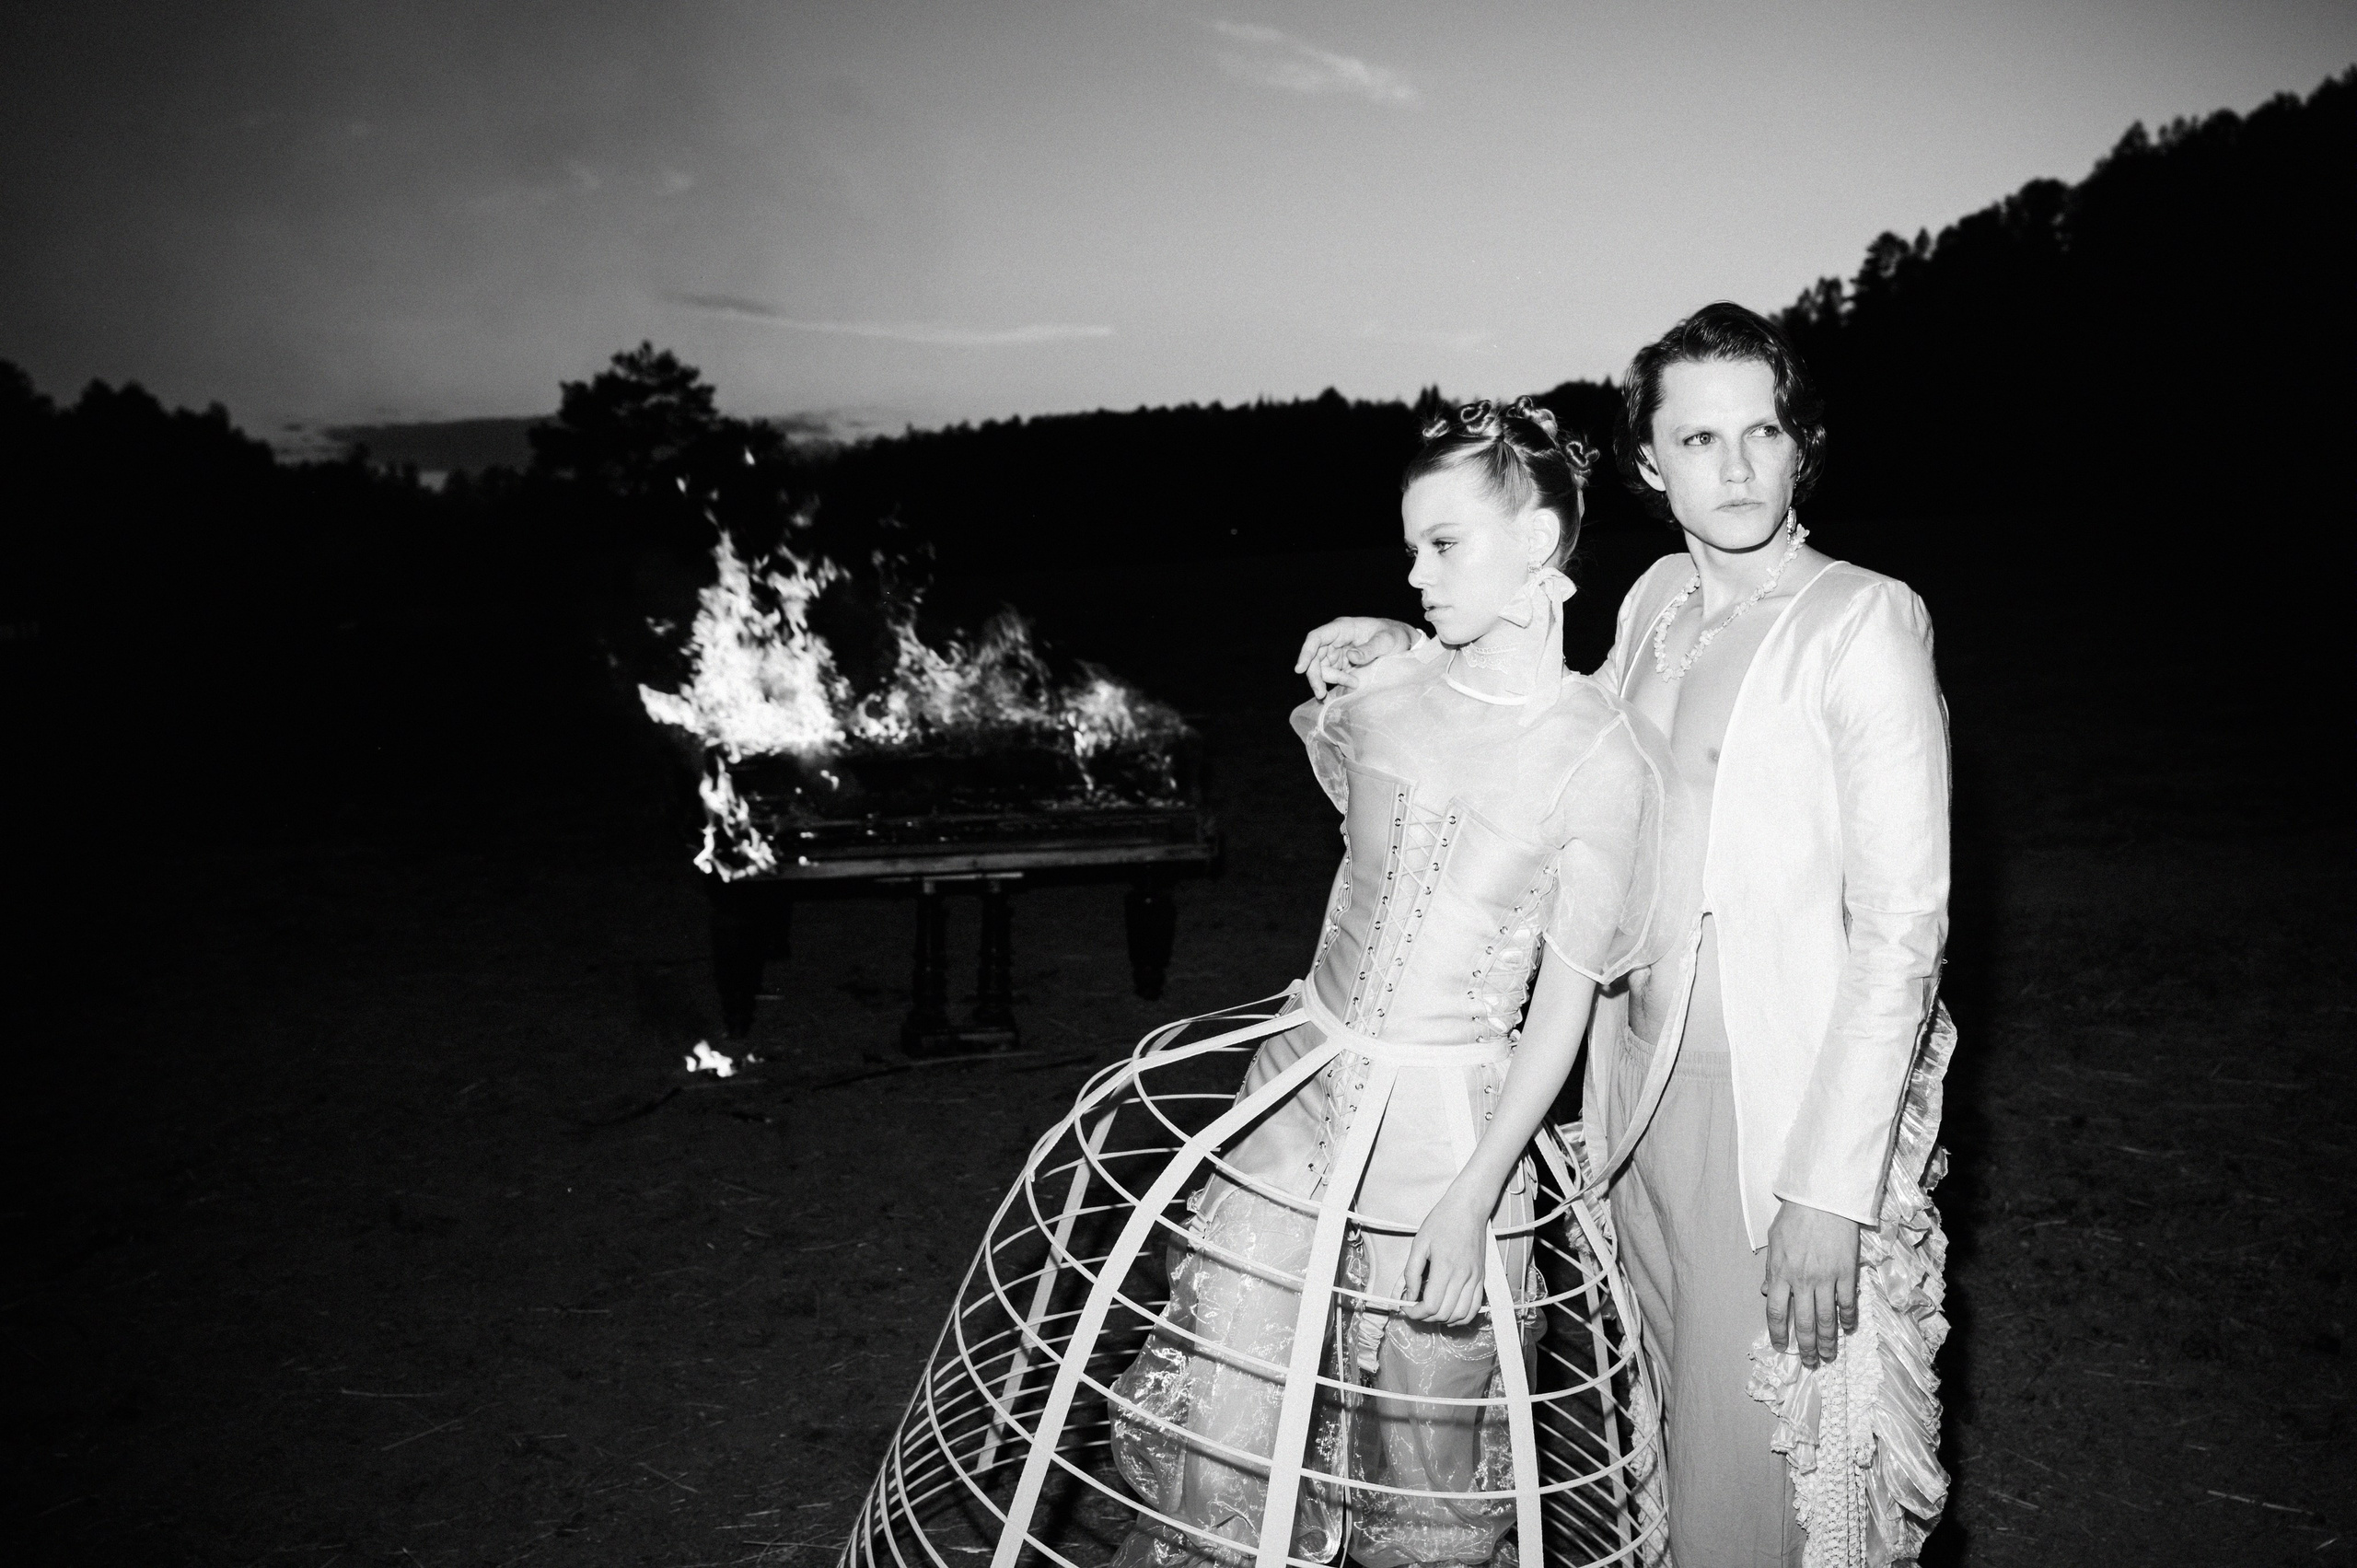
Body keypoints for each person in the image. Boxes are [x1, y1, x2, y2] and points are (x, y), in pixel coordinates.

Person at [843, 399, 1672, 1568]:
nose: (1415, 570)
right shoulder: (1385, 692)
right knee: (1231, 1437)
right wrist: (1399, 639)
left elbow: (1564, 1015)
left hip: (1447, 1140)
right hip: (1300, 1091)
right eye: (1408, 544)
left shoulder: (1598, 756)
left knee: (1425, 1467)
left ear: (1538, 543)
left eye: (1444, 544)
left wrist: (1472, 1193)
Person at [1294, 303, 1954, 1567]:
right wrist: (1414, 648)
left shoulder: (1863, 619)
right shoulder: (1655, 600)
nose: (1739, 466)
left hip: (1767, 1118)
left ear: (1800, 443)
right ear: (1650, 463)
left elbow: (1902, 933)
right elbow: (1556, 744)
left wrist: (1828, 1188)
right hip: (1634, 1095)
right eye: (1700, 438)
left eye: (1763, 430)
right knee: (1678, 1442)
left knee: (1767, 1481)